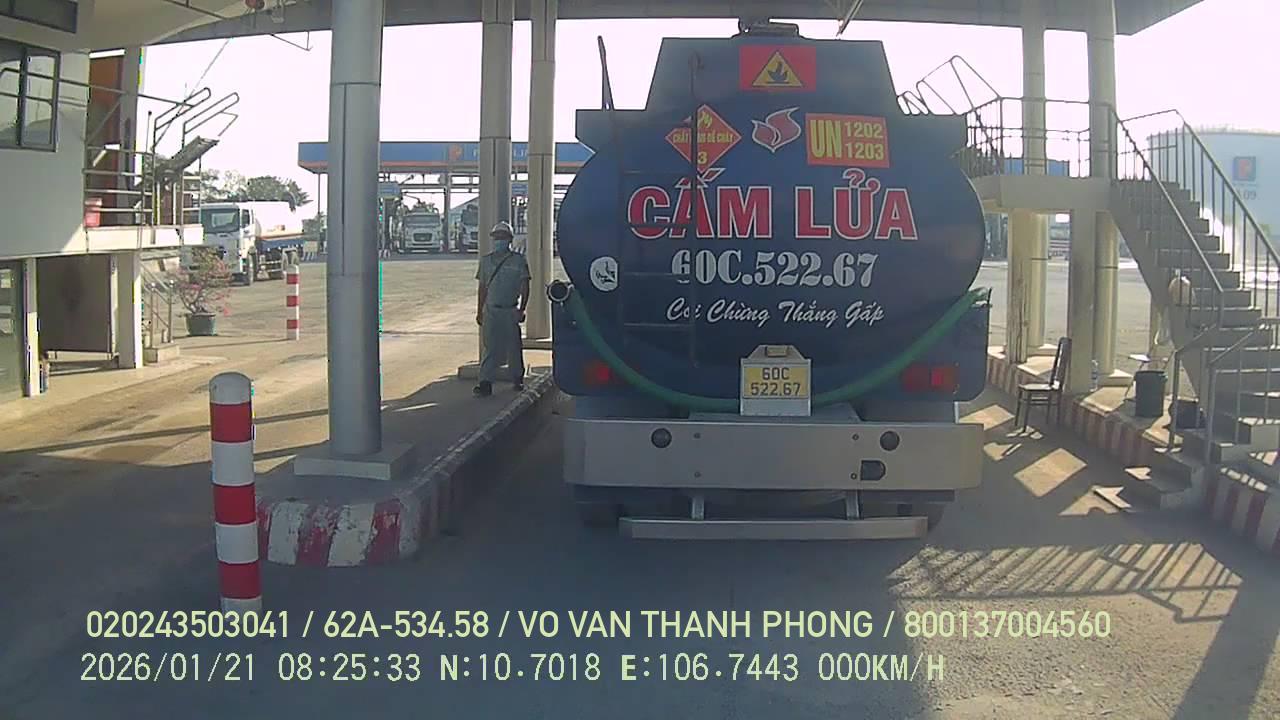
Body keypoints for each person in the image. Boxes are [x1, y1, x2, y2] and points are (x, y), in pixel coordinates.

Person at [474, 221, 530, 397]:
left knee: (514, 346)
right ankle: (485, 382)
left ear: (510, 239)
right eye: (497, 237)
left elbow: (525, 285)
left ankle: (517, 378)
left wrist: (522, 309)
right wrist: (479, 311)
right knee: (490, 347)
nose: (499, 240)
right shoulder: (486, 261)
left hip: (510, 309)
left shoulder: (519, 260)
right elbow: (482, 288)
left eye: (503, 237)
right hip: (491, 310)